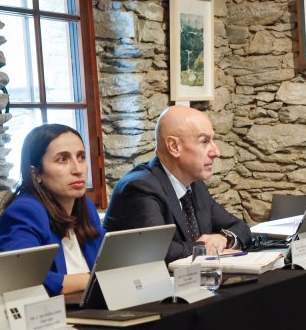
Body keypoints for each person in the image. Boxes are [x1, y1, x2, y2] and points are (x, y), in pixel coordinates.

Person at [103, 105, 251, 262]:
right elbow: (160, 252)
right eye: (204, 141)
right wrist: (204, 247)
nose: (216, 152)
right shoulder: (140, 188)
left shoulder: (195, 186)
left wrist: (224, 238)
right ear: (174, 147)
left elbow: (240, 227)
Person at [0, 124, 104, 295]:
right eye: (63, 159)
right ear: (36, 173)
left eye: (81, 157)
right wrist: (89, 279)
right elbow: (22, 277)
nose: (78, 170)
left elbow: (105, 265)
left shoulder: (86, 208)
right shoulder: (26, 211)